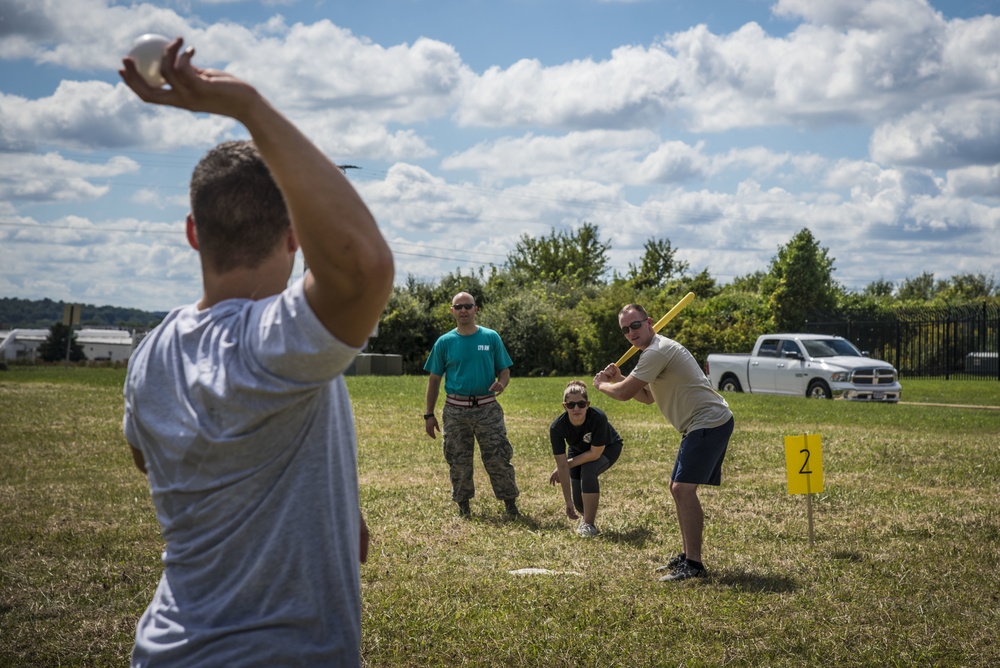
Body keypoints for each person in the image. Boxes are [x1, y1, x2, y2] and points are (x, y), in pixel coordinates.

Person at [119, 37, 393, 666]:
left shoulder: (152, 352)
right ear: (296, 237)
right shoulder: (276, 343)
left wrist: (320, 504)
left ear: (193, 232)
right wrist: (246, 104)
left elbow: (149, 457)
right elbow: (363, 264)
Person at [593, 304, 734, 582]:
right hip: (696, 424)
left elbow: (623, 395)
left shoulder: (657, 350)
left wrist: (602, 385)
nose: (631, 332)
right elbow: (646, 397)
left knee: (683, 488)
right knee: (676, 488)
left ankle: (694, 565)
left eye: (635, 325)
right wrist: (621, 378)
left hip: (709, 421)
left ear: (649, 323)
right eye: (625, 329)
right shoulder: (652, 353)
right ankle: (686, 555)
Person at [423, 292, 520, 517]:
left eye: (468, 306)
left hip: (487, 408)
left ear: (476, 309)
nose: (463, 310)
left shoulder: (490, 337)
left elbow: (504, 370)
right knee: (458, 458)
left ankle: (510, 504)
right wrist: (428, 414)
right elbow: (434, 379)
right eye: (459, 307)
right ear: (452, 311)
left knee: (498, 456)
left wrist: (502, 384)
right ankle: (463, 506)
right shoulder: (444, 342)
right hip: (455, 410)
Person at [548, 380, 624, 537]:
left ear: (587, 404)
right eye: (571, 405)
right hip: (577, 451)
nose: (576, 408)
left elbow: (595, 454)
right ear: (564, 406)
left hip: (607, 448)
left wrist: (567, 464)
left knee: (588, 470)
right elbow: (562, 465)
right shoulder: (557, 427)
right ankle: (585, 516)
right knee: (579, 504)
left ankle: (589, 525)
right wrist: (568, 502)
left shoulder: (598, 417)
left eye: (581, 404)